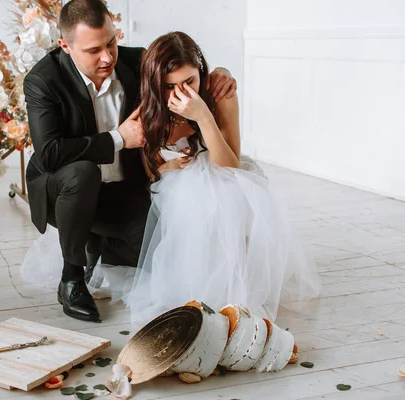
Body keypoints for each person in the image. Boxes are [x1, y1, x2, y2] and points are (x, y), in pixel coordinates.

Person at [22, 0, 237, 322]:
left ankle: (100, 243)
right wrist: (119, 138)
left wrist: (221, 73)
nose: (107, 57)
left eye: (111, 43)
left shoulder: (136, 62)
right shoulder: (43, 80)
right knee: (81, 173)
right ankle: (71, 277)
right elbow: (49, 153)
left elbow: (182, 64)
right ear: (65, 45)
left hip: (125, 190)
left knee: (162, 257)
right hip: (66, 188)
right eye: (93, 50)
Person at [102, 31, 321, 324]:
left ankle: (230, 290)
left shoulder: (219, 97)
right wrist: (164, 170)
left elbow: (229, 165)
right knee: (190, 199)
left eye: (190, 81)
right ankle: (194, 288)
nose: (182, 94)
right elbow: (149, 168)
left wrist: (203, 115)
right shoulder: (150, 107)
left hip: (228, 173)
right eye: (170, 86)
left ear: (201, 72)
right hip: (175, 183)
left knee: (221, 196)